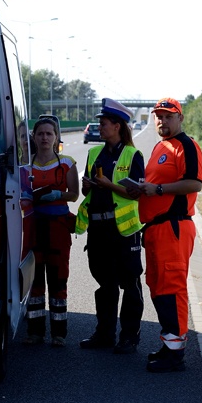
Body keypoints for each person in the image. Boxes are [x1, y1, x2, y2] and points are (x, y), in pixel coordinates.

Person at [133, 97, 202, 373]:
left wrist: (158, 191)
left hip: (173, 226)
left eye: (168, 116)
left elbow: (195, 182)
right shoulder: (160, 147)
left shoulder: (186, 145)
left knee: (172, 288)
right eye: (158, 116)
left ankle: (176, 355)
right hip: (155, 228)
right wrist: (142, 188)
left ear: (180, 119)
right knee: (158, 286)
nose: (162, 120)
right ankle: (169, 344)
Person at [75, 98, 146, 354]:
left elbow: (136, 192)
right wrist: (88, 186)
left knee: (129, 283)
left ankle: (129, 337)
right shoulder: (94, 153)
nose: (100, 127)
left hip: (124, 231)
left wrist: (109, 186)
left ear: (117, 126)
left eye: (103, 124)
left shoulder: (132, 154)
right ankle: (104, 333)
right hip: (98, 230)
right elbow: (87, 191)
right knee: (105, 284)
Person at [22, 116, 79, 347]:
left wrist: (58, 195)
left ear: (56, 138)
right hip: (33, 227)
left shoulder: (66, 163)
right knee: (34, 281)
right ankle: (35, 333)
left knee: (58, 279)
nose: (44, 137)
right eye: (40, 134)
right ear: (34, 138)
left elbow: (74, 194)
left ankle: (59, 334)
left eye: (49, 134)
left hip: (58, 228)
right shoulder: (25, 165)